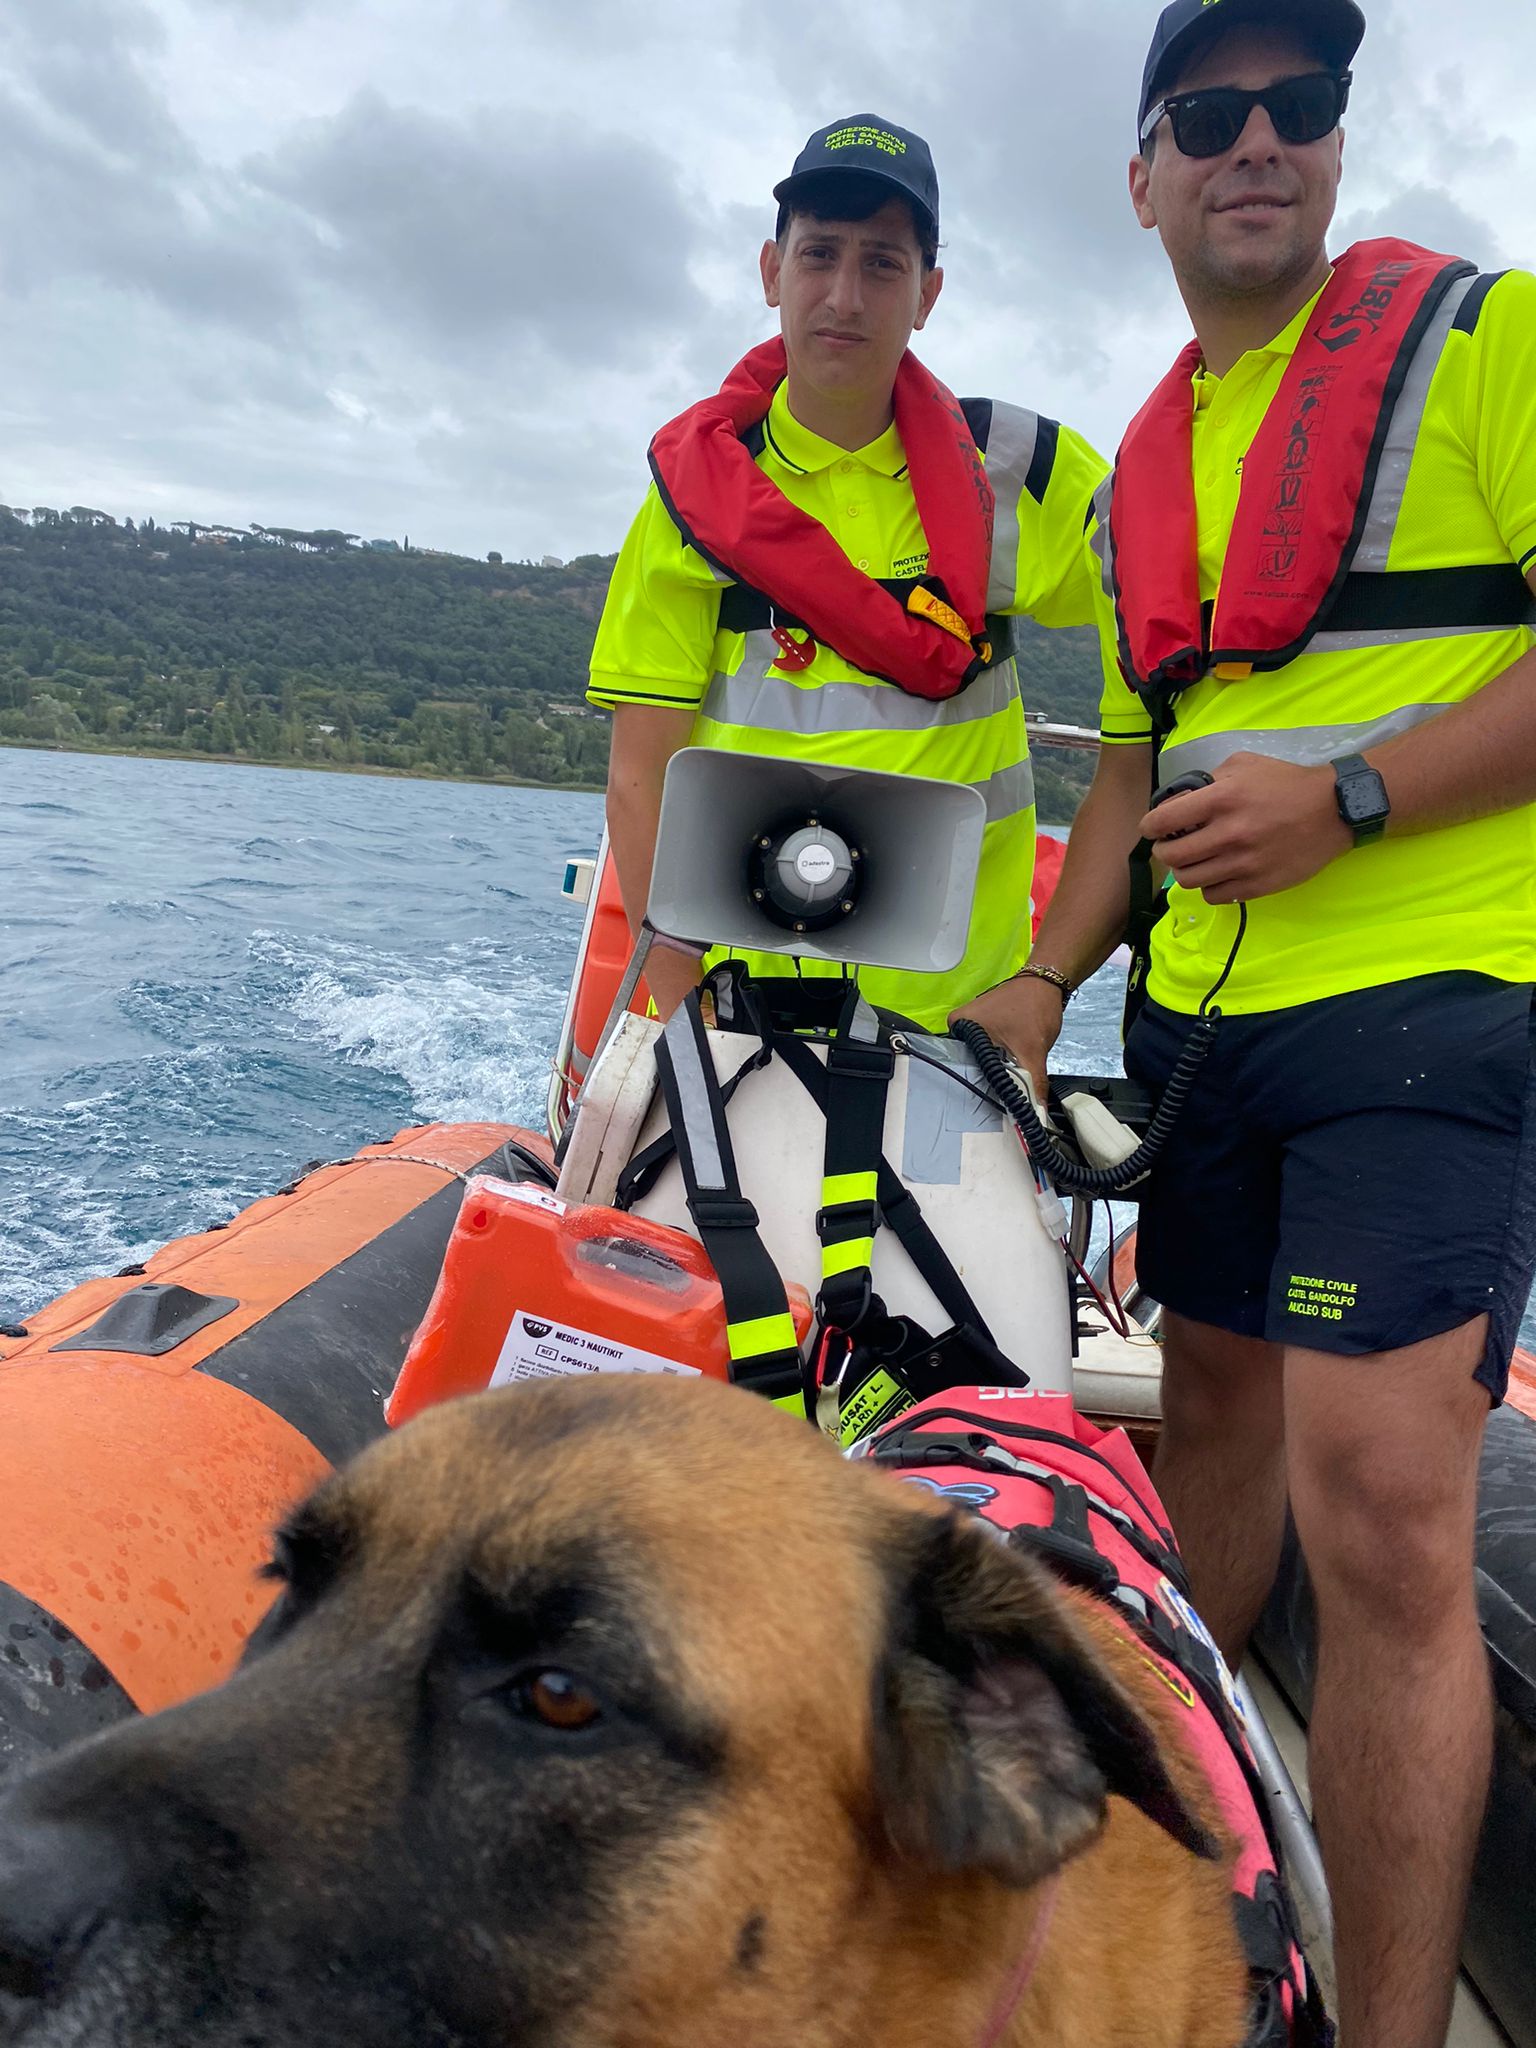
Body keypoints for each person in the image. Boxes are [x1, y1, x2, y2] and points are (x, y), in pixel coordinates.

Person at [958, 3, 1536, 2042]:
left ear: (1340, 145)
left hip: (1433, 1003)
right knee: (1202, 1438)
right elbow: (1129, 783)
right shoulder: (1143, 476)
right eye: (1210, 114)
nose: (1258, 139)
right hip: (1202, 1025)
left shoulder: (1491, 344)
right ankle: (1180, 1949)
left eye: (1300, 106)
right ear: (1145, 177)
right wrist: (1037, 980)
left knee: (1379, 1505)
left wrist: (1355, 795)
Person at [587, 117, 1108, 1031]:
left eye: (882, 265)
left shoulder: (1018, 473)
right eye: (819, 254)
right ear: (770, 273)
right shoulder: (692, 500)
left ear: (927, 293)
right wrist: (678, 1000)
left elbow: (1175, 611)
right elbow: (642, 769)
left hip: (958, 1023)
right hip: (743, 1016)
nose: (844, 296)